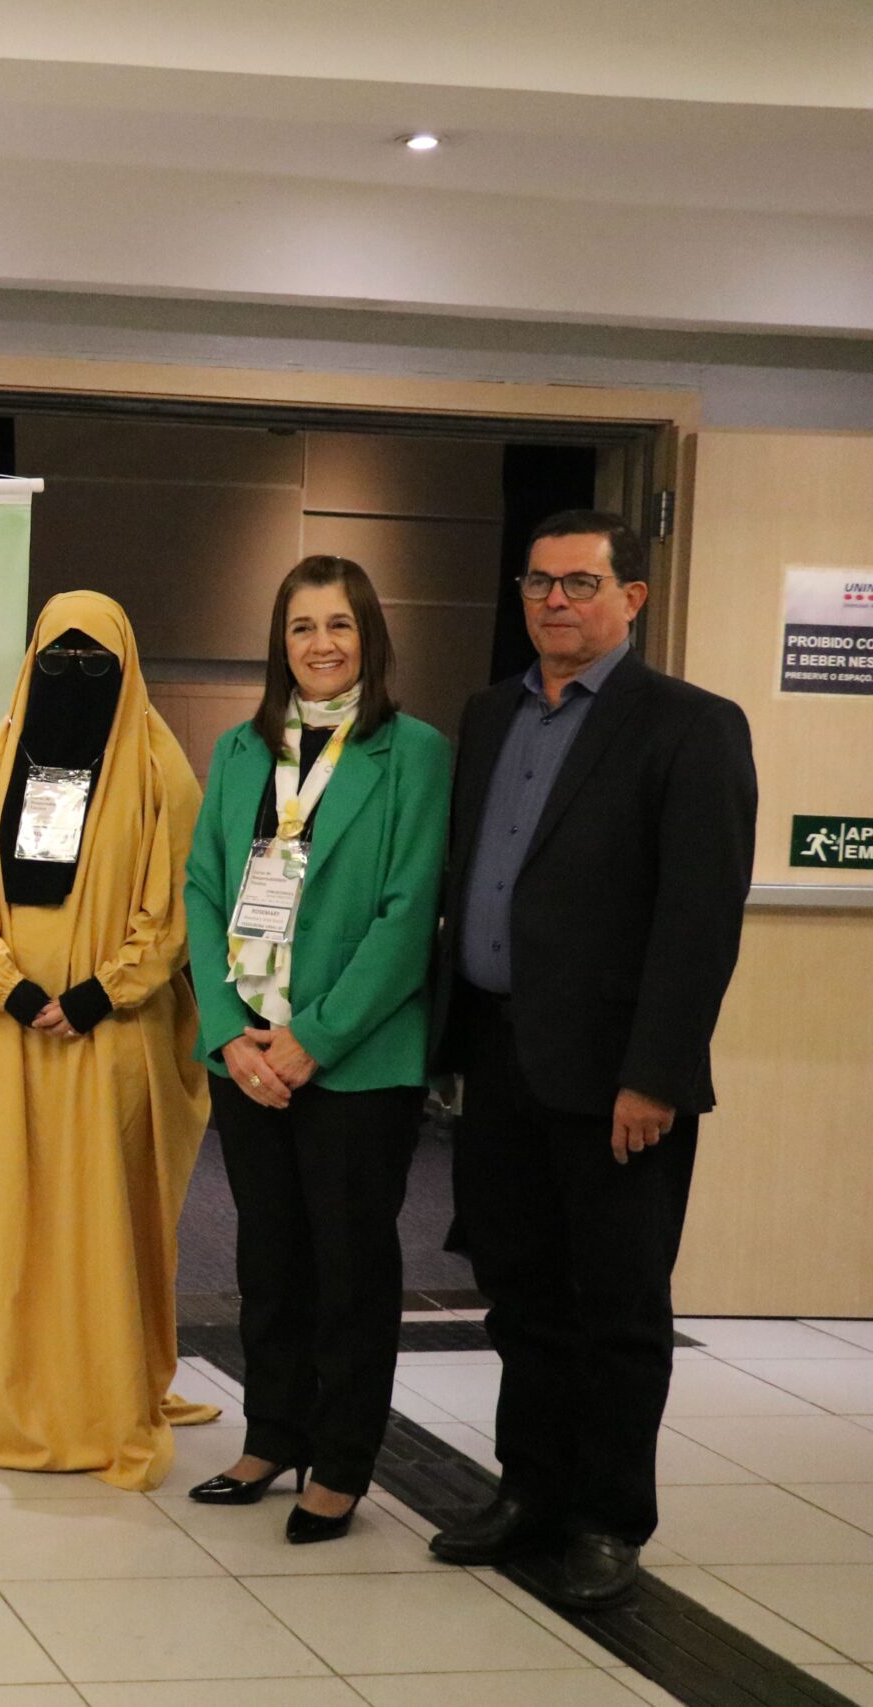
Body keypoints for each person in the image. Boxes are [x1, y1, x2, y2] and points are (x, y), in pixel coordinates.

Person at [426, 512, 756, 1608]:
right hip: (498, 1054)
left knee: (614, 1307)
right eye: (537, 582)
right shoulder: (488, 715)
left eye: (578, 583)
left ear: (634, 598)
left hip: (618, 1077)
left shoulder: (688, 728)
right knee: (519, 1295)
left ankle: (610, 1518)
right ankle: (530, 1490)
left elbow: (697, 920)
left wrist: (655, 1074)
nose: (554, 602)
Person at [181, 556, 451, 1542]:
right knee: (269, 1258)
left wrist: (312, 1041)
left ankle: (342, 1456)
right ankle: (274, 1431)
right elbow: (202, 891)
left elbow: (405, 914)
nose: (321, 644)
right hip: (243, 1053)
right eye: (301, 627)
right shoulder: (240, 750)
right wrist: (225, 1030)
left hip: (353, 1061)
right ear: (278, 642)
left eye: (339, 624)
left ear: (368, 636)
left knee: (348, 1265)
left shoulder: (411, 754)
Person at [0, 589, 219, 1491]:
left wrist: (102, 991)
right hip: (8, 1036)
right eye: (58, 660)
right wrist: (9, 986)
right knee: (5, 1217)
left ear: (129, 668)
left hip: (108, 1042)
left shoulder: (161, 770)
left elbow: (179, 905)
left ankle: (100, 1396)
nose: (76, 678)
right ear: (30, 664)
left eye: (98, 663)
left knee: (99, 1219)